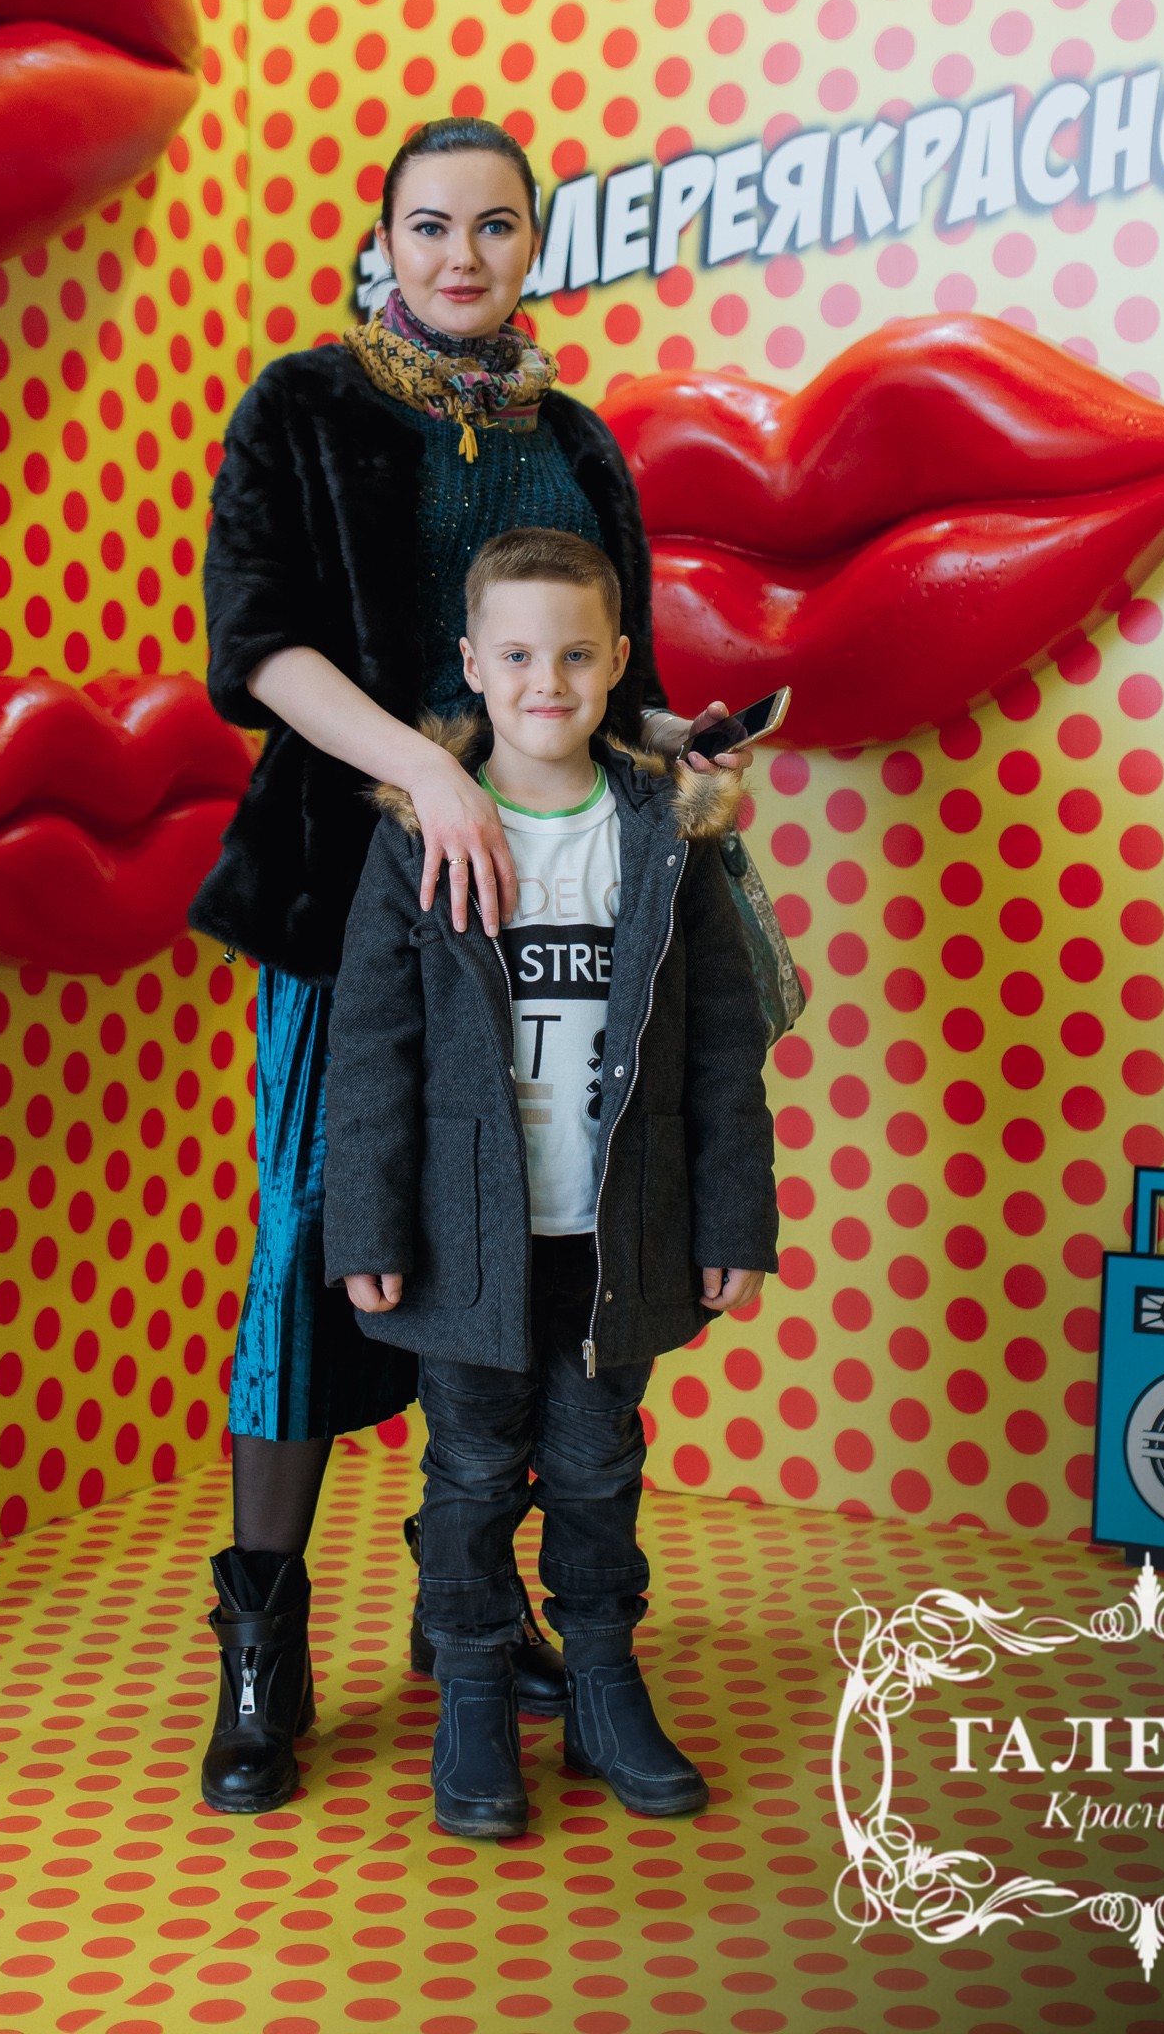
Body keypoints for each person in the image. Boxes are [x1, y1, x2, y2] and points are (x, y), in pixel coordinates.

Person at [188, 115, 752, 1814]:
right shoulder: (301, 405)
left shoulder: (575, 441)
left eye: (494, 227)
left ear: (531, 248)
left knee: (535, 1253)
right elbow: (256, 645)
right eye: (428, 226)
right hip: (351, 901)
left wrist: (685, 751)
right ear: (383, 240)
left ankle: (480, 1626)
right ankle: (262, 1645)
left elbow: (603, 679)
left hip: (556, 911)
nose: (460, 256)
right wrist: (424, 774)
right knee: (316, 1246)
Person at [322, 527, 777, 1839]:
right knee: (470, 1475)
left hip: (615, 1230)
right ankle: (472, 1688)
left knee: (595, 1467)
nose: (547, 682)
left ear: (619, 661)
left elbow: (722, 1043)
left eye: (576, 656)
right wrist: (367, 1222)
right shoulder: (418, 835)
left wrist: (733, 1217)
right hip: (466, 1235)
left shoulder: (663, 834)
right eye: (517, 655)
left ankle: (602, 1682)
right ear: (473, 664)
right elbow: (372, 1047)